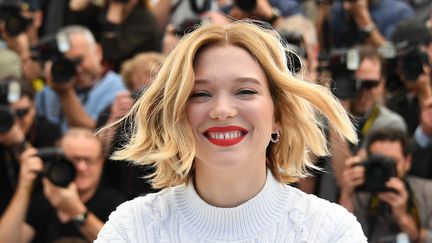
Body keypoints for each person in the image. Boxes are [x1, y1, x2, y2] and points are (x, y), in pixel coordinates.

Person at [95, 21, 366, 242]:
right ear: (177, 114)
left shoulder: (331, 232)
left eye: (245, 91)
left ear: (278, 115)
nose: (222, 110)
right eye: (200, 94)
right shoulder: (132, 230)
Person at [0, 127, 126, 243]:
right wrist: (24, 187)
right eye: (74, 160)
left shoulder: (116, 205)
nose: (81, 167)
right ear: (59, 161)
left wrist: (77, 212)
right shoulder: (43, 201)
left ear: (101, 162)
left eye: (89, 160)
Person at [339, 128, 432, 242]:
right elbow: (341, 236)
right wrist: (346, 195)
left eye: (392, 162)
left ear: (407, 162)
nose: (383, 170)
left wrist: (404, 219)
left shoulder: (428, 192)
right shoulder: (360, 193)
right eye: (379, 162)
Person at [36, 25, 126, 133]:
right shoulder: (51, 86)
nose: (75, 69)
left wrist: (65, 93)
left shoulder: (117, 87)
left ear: (98, 52)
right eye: (66, 63)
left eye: (78, 61)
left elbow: (94, 134)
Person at [0, 77, 61, 215]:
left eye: (21, 113)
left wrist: (20, 143)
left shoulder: (48, 131)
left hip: (40, 212)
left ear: (34, 106)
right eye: (6, 115)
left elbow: (49, 179)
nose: (15, 121)